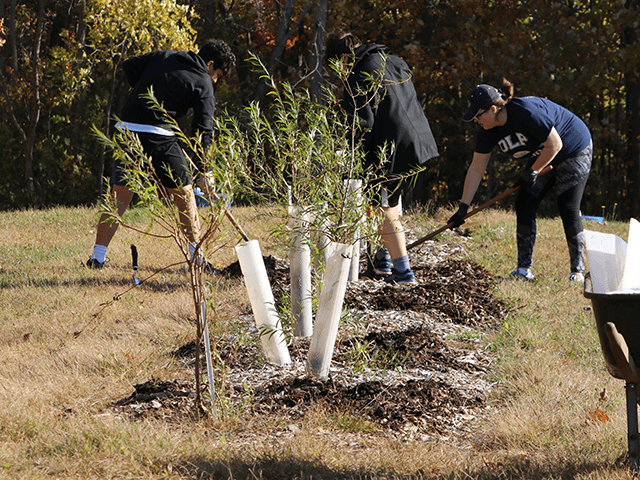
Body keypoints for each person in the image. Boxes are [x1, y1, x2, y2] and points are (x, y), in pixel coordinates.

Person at [86, 40, 236, 269]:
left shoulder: (165, 56)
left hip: (126, 129)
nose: (216, 80)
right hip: (158, 135)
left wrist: (146, 92)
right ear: (210, 64)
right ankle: (198, 261)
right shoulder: (204, 81)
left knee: (119, 198)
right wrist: (205, 172)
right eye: (218, 74)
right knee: (185, 196)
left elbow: (129, 65)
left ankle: (97, 258)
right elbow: (203, 131)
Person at [449, 79, 592, 283]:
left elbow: (555, 144)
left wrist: (533, 171)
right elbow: (476, 168)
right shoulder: (487, 131)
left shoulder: (526, 113)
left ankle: (577, 272)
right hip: (545, 151)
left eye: (477, 116)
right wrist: (463, 207)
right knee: (524, 201)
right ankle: (524, 270)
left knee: (568, 206)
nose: (476, 121)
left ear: (492, 109)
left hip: (572, 146)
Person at [325, 32, 439, 284]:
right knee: (391, 199)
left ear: (343, 58)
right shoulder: (394, 60)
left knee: (380, 206)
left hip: (391, 144)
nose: (339, 74)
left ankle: (403, 272)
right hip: (418, 139)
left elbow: (362, 123)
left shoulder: (358, 73)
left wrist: (352, 162)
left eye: (337, 68)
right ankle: (383, 258)